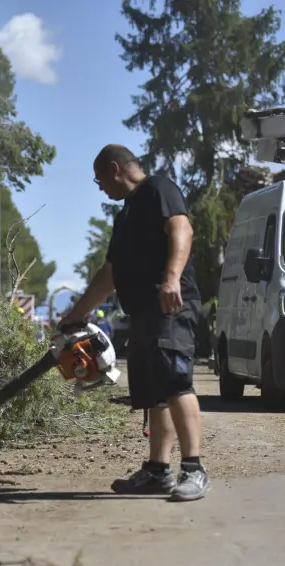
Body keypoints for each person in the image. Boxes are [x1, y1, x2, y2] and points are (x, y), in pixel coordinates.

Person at [58, 144, 209, 502]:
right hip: (142, 312)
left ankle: (195, 469)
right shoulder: (125, 215)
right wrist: (77, 313)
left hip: (171, 303)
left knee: (174, 381)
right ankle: (158, 471)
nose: (100, 189)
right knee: (152, 393)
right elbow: (109, 273)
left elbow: (182, 230)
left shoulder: (159, 188)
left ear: (114, 168)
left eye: (99, 180)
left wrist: (172, 278)